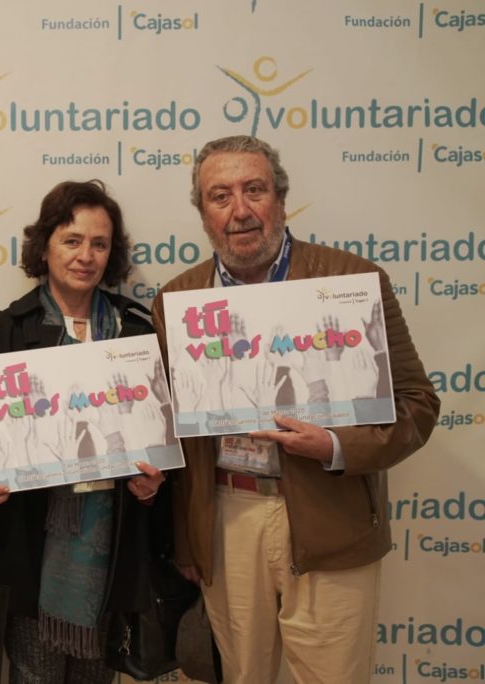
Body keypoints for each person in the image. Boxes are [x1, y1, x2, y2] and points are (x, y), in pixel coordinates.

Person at [151, 135, 440, 683]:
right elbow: (175, 434)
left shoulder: (352, 283)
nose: (240, 210)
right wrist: (189, 539)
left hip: (330, 518)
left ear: (280, 200)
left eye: (254, 190)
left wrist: (333, 446)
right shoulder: (177, 301)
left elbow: (418, 404)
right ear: (203, 214)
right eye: (220, 196)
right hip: (227, 521)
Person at [0, 180, 168, 683]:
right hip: (29, 554)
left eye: (99, 243)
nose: (86, 255)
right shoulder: (3, 332)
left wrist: (154, 484)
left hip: (111, 557)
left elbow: (165, 445)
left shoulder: (136, 335)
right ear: (45, 245)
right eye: (72, 240)